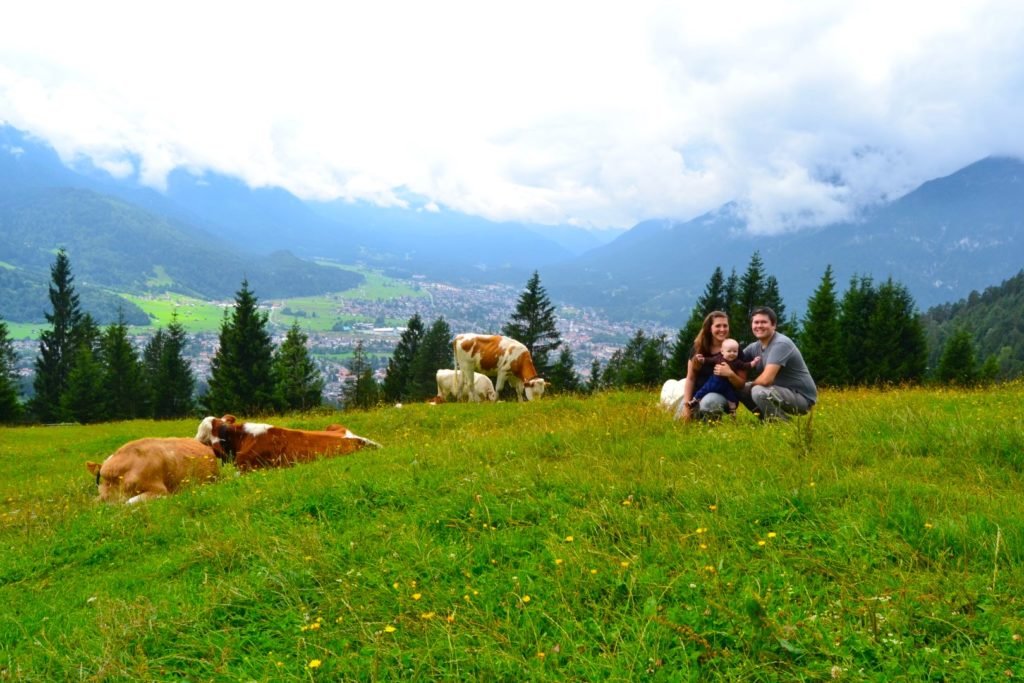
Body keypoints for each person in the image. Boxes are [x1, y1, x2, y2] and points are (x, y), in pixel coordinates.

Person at [721, 306, 817, 420]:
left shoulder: (781, 344)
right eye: (756, 322)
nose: (759, 326)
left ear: (774, 325)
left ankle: (781, 423)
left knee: (757, 391)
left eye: (764, 322)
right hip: (779, 391)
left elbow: (767, 379)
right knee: (740, 389)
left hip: (802, 397)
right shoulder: (755, 346)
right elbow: (732, 359)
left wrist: (746, 386)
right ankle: (765, 419)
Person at [676, 311, 751, 421]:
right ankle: (696, 414)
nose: (722, 329)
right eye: (718, 326)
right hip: (698, 393)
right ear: (709, 328)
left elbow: (741, 384)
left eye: (725, 325)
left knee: (709, 403)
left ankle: (711, 425)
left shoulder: (734, 350)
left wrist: (730, 374)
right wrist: (687, 406)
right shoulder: (698, 348)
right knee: (680, 419)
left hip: (723, 395)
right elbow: (691, 378)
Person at [686, 338, 760, 414]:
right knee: (703, 390)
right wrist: (702, 359)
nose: (732, 353)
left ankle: (733, 411)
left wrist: (754, 362)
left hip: (725, 385)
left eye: (735, 351)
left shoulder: (737, 362)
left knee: (731, 397)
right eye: (729, 351)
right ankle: (694, 401)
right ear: (722, 352)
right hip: (713, 382)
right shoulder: (718, 358)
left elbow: (746, 366)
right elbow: (709, 360)